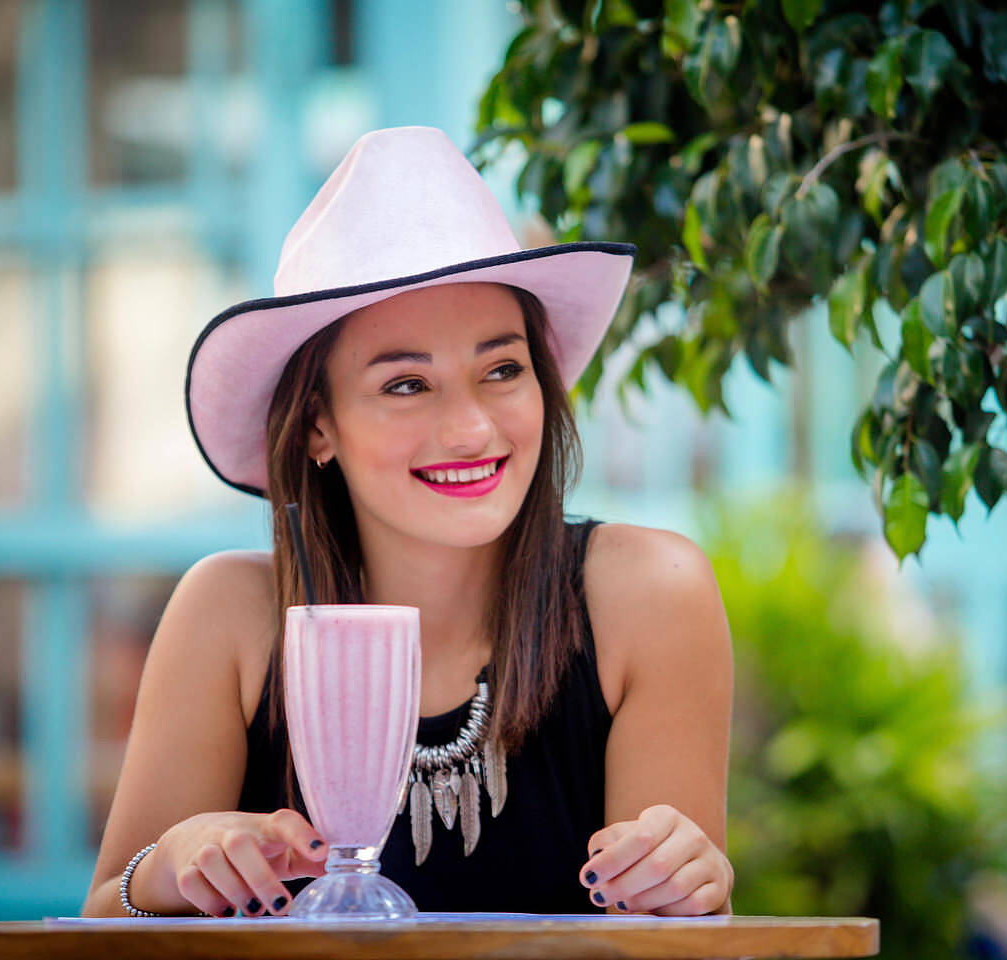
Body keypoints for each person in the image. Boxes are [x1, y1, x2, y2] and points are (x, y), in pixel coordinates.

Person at [81, 126, 735, 918]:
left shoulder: (648, 595)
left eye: (502, 369)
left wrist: (685, 885)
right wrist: (170, 866)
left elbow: (667, 936)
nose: (470, 430)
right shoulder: (227, 613)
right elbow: (107, 917)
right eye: (405, 386)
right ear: (317, 423)